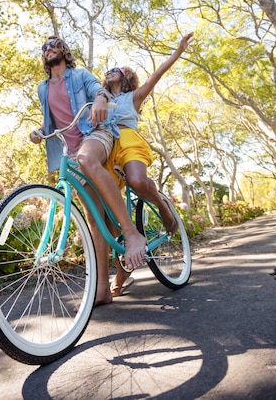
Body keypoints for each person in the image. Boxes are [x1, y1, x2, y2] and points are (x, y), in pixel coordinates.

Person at [30, 36, 146, 305]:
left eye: (53, 45)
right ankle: (103, 290)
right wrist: (39, 132)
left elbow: (99, 90)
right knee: (94, 220)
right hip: (68, 153)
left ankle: (131, 233)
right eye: (44, 47)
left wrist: (100, 100)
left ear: (63, 51)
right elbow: (50, 123)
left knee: (86, 159)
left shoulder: (79, 74)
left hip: (96, 134)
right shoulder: (42, 88)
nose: (48, 49)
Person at [103, 33, 193, 297]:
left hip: (128, 141)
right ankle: (119, 279)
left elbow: (159, 73)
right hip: (108, 148)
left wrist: (178, 51)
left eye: (118, 70)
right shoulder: (100, 98)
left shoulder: (134, 97)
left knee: (138, 181)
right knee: (108, 221)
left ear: (127, 78)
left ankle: (165, 210)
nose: (112, 72)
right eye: (109, 70)